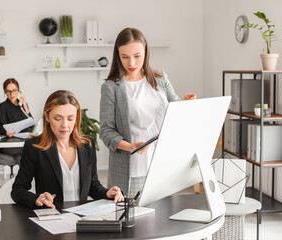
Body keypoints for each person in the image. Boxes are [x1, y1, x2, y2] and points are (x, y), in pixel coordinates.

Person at [99, 28, 196, 197]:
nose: (132, 63)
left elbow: (175, 111)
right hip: (132, 166)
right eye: (125, 57)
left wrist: (185, 104)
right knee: (129, 217)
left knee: (162, 216)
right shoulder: (111, 87)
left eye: (137, 56)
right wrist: (129, 147)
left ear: (146, 51)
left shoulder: (160, 78)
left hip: (162, 162)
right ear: (117, 55)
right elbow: (106, 131)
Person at [11, 90, 124, 208]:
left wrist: (107, 193)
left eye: (70, 119)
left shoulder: (87, 145)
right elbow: (17, 190)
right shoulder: (34, 148)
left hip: (80, 218)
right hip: (51, 218)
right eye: (57, 118)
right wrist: (36, 198)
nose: (65, 125)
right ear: (47, 117)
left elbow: (92, 185)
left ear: (76, 118)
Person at [0, 78, 34, 159]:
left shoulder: (23, 105)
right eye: (8, 91)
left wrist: (24, 105)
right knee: (30, 152)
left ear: (19, 90)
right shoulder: (3, 106)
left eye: (14, 90)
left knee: (21, 158)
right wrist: (6, 133)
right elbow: (0, 128)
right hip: (11, 144)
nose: (12, 94)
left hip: (23, 142)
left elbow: (31, 125)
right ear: (5, 92)